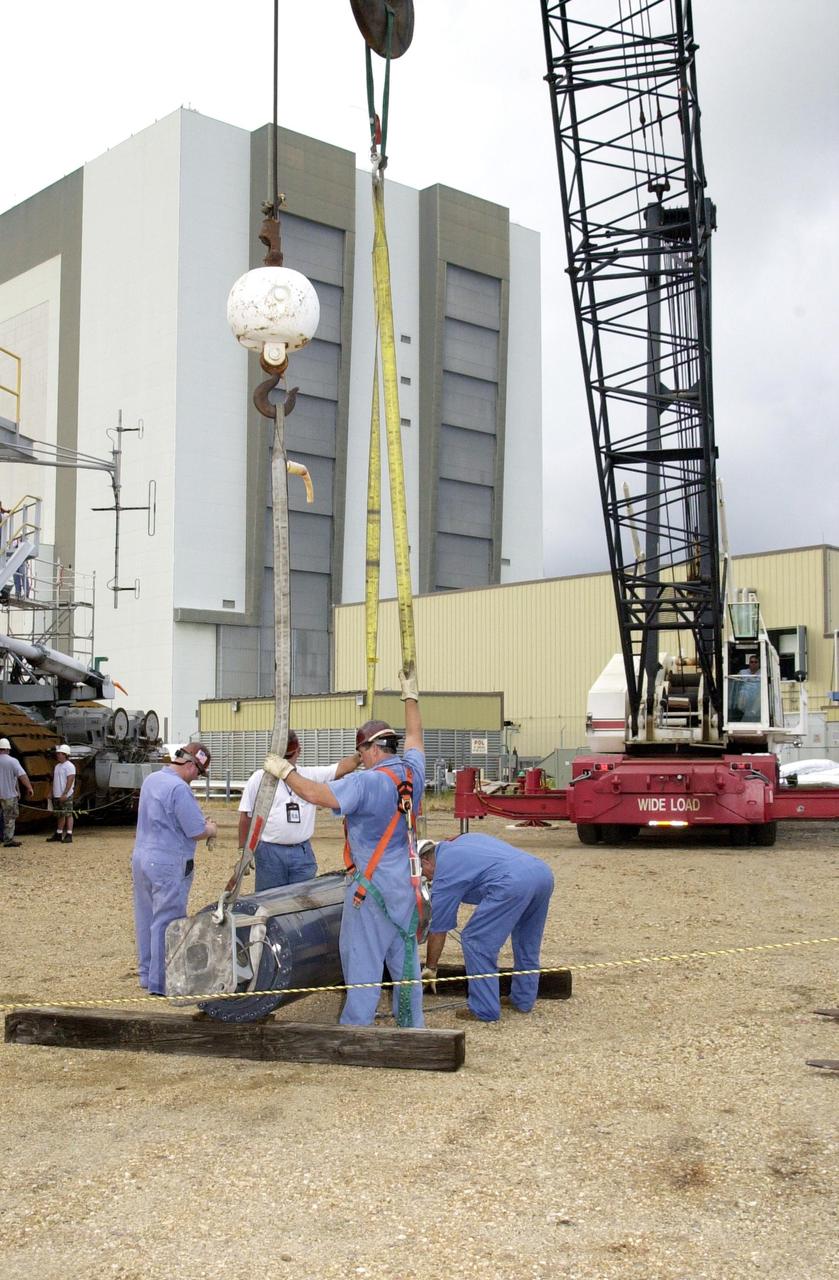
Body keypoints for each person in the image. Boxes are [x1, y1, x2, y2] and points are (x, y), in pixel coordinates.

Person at [270, 664, 425, 1027]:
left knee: (362, 966)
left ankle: (355, 1031)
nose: (361, 758)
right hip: (406, 888)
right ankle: (413, 1028)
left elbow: (315, 793)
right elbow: (416, 737)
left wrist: (284, 771)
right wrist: (411, 696)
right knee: (405, 963)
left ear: (371, 749)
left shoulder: (365, 784)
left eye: (361, 751)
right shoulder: (411, 773)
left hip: (370, 893)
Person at [418, 833, 555, 1023]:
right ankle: (523, 1000)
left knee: (476, 941)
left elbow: (438, 929)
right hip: (542, 873)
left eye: (423, 874)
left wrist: (431, 967)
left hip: (511, 882)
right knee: (527, 940)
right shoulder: (461, 841)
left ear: (425, 862)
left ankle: (484, 1009)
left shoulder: (444, 874)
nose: (426, 879)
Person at [131, 741, 218, 996]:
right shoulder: (179, 789)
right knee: (167, 921)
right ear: (191, 765)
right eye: (199, 773)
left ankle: (147, 974)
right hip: (169, 861)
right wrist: (212, 828)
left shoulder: (152, 779)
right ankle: (162, 983)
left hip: (142, 856)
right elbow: (196, 830)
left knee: (146, 917)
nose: (196, 778)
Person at [237, 730, 360, 891]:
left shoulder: (309, 775)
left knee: (303, 901)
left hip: (302, 852)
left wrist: (362, 754)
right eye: (281, 758)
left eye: (288, 757)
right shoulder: (258, 779)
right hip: (269, 852)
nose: (285, 763)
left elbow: (340, 768)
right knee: (268, 901)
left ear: (298, 751)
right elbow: (246, 816)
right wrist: (243, 850)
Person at [0, 737, 34, 848]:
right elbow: (21, 776)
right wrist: (29, 787)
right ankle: (8, 839)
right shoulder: (13, 761)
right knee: (9, 818)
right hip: (9, 795)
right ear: (8, 749)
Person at [46, 744, 76, 844]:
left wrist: (65, 793)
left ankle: (69, 834)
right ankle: (59, 833)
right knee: (60, 814)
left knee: (68, 814)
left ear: (65, 755)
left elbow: (70, 780)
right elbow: (54, 780)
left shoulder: (70, 766)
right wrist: (51, 792)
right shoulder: (57, 766)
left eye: (60, 753)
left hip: (65, 794)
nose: (58, 755)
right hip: (57, 794)